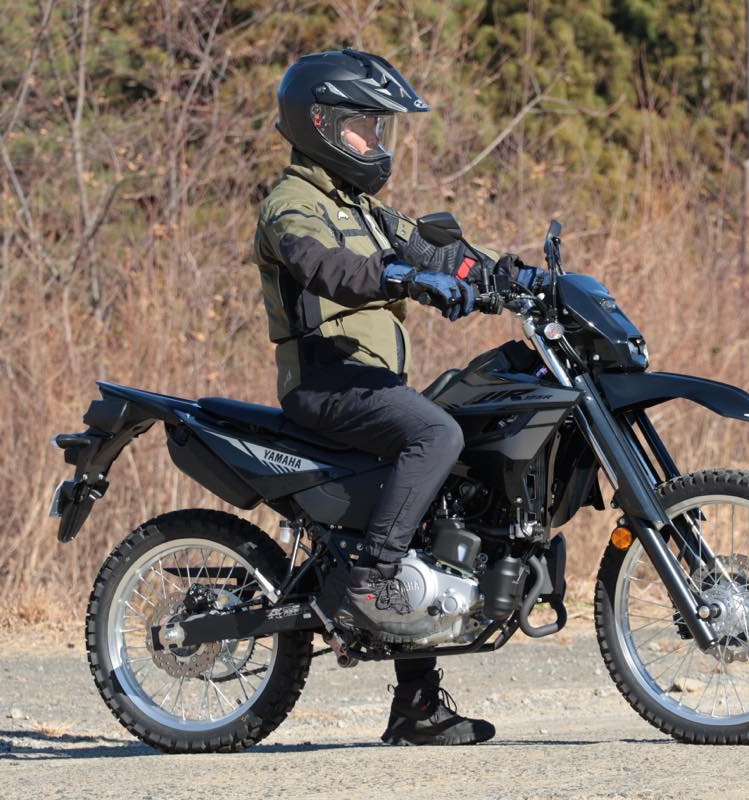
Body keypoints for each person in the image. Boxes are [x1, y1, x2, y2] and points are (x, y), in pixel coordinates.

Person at [253, 49, 541, 747]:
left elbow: (437, 253)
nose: (375, 141)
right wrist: (400, 279)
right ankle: (373, 578)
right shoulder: (291, 205)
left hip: (372, 384)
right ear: (320, 124)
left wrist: (514, 278)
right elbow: (328, 268)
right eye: (364, 127)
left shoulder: (366, 209)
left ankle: (416, 707)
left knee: (442, 494)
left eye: (379, 128)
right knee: (436, 435)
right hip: (326, 382)